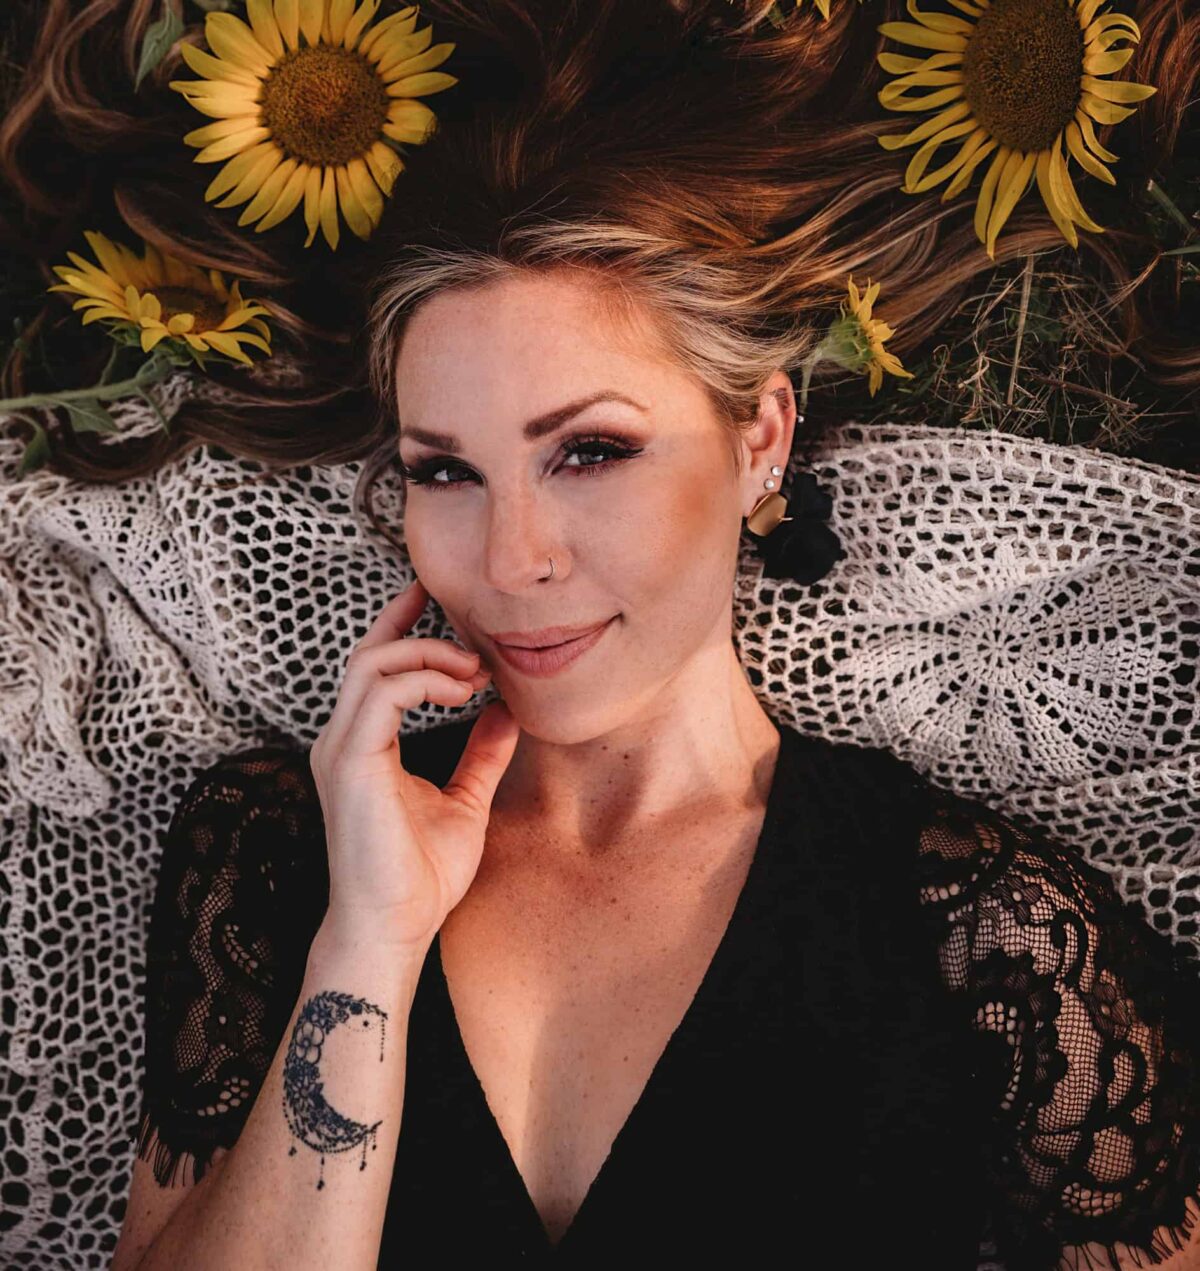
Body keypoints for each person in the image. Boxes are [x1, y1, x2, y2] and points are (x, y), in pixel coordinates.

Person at [80, 0, 1200, 1268]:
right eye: (445, 473)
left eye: (591, 451)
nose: (511, 560)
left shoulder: (988, 935)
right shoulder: (285, 849)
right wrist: (370, 943)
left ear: (760, 438)